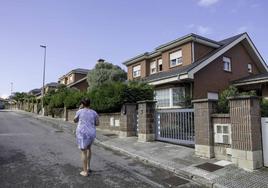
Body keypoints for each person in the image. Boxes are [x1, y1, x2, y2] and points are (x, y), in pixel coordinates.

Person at [74, 98, 99, 177]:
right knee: (89, 148)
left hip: (82, 133)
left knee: (83, 151)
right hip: (91, 133)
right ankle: (88, 167)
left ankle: (85, 172)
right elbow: (97, 123)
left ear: (82, 104)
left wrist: (78, 110)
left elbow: (74, 120)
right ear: (89, 104)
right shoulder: (94, 112)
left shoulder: (79, 111)